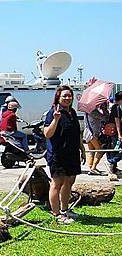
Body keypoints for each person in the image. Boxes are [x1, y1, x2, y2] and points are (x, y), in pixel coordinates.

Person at [44, 86, 86, 224]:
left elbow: (76, 133)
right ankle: (56, 215)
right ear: (58, 97)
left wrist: (82, 149)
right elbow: (47, 134)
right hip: (58, 154)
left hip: (72, 153)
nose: (68, 98)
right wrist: (55, 120)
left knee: (69, 181)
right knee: (57, 183)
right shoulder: (53, 112)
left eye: (70, 96)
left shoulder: (72, 112)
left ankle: (65, 209)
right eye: (64, 96)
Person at [83, 105, 109, 175]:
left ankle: (91, 168)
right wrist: (104, 109)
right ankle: (93, 168)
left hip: (87, 133)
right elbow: (105, 118)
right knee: (100, 150)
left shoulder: (86, 111)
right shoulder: (93, 111)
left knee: (92, 152)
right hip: (92, 134)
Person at [107, 91, 122, 177]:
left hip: (115, 132)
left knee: (115, 149)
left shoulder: (115, 107)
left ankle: (113, 167)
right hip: (115, 133)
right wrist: (120, 134)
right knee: (116, 149)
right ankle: (112, 162)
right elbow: (117, 121)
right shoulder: (116, 107)